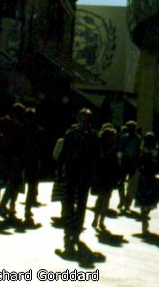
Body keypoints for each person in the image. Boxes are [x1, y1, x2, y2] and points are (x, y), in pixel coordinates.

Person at [58, 108, 98, 255]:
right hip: (71, 172)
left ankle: (76, 227)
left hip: (85, 173)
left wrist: (95, 175)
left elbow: (96, 156)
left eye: (87, 118)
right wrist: (60, 171)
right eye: (83, 118)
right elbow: (63, 154)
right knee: (69, 201)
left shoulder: (93, 136)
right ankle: (69, 226)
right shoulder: (71, 134)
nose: (85, 121)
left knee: (81, 202)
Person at [91, 124, 121, 233]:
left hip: (109, 176)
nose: (110, 139)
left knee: (106, 198)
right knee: (100, 198)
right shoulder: (99, 147)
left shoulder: (113, 146)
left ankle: (101, 220)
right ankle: (96, 219)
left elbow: (116, 162)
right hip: (101, 175)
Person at [136, 132, 159, 235]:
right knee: (149, 199)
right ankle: (144, 218)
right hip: (149, 177)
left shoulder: (144, 151)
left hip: (145, 177)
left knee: (145, 199)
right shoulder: (148, 152)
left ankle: (144, 217)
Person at [115, 121, 142, 213]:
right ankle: (122, 200)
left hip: (133, 162)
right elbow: (119, 150)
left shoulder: (138, 139)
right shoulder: (124, 138)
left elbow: (139, 151)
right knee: (121, 182)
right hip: (125, 161)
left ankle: (127, 201)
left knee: (132, 184)